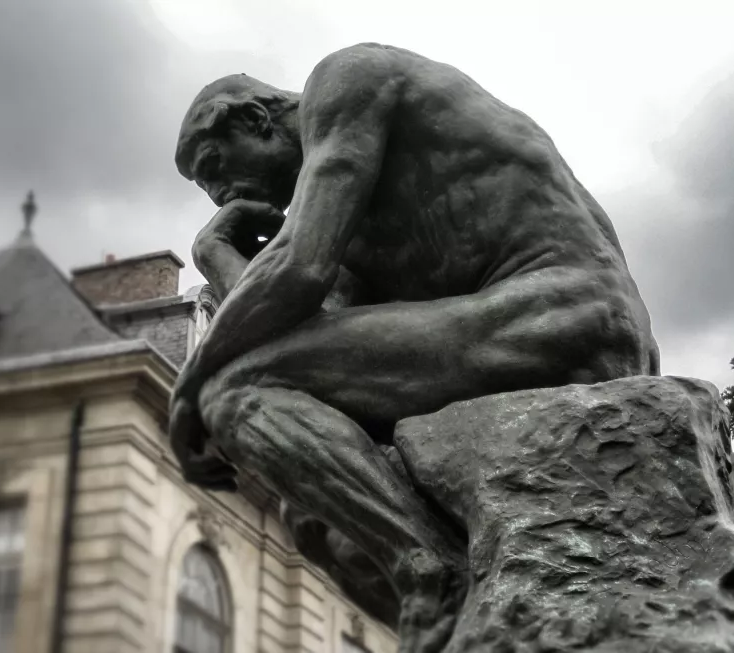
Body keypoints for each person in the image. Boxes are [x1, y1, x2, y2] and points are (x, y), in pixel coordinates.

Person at [169, 42, 658, 646]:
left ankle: (431, 570)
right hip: (503, 330)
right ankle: (460, 611)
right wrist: (215, 254)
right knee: (317, 515)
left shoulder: (348, 81)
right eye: (205, 187)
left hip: (568, 310)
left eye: (216, 166)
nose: (219, 195)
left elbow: (299, 273)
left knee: (233, 395)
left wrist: (189, 390)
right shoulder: (345, 231)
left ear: (255, 119)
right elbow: (304, 337)